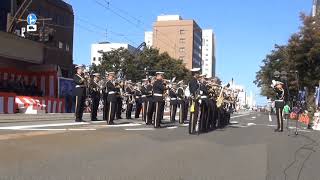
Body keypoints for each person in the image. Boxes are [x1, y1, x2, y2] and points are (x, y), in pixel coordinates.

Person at [188, 68, 201, 134]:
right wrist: (196, 96)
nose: (198, 74)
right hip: (194, 99)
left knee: (195, 114)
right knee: (193, 115)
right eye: (198, 73)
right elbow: (193, 90)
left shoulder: (195, 81)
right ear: (195, 74)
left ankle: (192, 129)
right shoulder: (193, 81)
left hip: (195, 99)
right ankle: (192, 129)